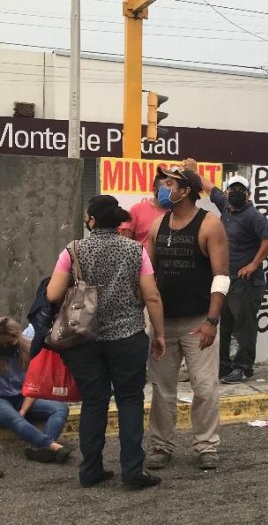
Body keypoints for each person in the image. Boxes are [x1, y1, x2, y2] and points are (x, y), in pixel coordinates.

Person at [46, 195, 166, 490]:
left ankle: (90, 471)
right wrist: (159, 334)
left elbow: (52, 294)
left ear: (92, 220)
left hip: (84, 339)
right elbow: (151, 295)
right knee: (129, 400)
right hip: (128, 337)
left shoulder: (73, 250)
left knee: (94, 401)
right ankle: (133, 472)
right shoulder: (134, 250)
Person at [145, 166, 229, 471]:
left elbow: (221, 277)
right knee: (162, 388)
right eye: (164, 182)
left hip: (198, 322)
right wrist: (152, 321)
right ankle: (160, 445)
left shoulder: (210, 225)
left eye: (171, 183)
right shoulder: (157, 225)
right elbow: (148, 274)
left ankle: (207, 446)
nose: (164, 187)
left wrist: (212, 321)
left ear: (187, 191)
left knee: (205, 387)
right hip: (163, 322)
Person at [185, 160, 268, 384]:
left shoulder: (252, 215)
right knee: (224, 324)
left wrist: (254, 264)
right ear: (227, 192)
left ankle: (244, 368)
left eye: (241, 190)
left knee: (244, 328)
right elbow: (208, 187)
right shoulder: (225, 206)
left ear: (248, 195)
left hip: (245, 282)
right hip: (226, 280)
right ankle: (224, 366)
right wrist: (194, 172)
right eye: (233, 189)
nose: (236, 193)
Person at [0, 316, 71, 464]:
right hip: (2, 400)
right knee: (14, 419)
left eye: (15, 340)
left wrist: (24, 409)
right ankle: (52, 446)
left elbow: (34, 383)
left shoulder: (28, 348)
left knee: (59, 408)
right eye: (6, 343)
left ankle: (43, 451)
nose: (12, 344)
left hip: (24, 396)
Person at [120, 173, 168, 245]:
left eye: (171, 190)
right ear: (154, 190)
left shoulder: (176, 212)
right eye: (165, 190)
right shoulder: (136, 210)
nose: (169, 193)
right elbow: (125, 244)